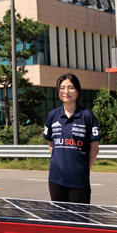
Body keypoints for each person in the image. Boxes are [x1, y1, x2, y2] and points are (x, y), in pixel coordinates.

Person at [44, 73, 100, 204]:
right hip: (55, 178)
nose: (66, 91)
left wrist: (82, 169)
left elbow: (95, 149)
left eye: (70, 87)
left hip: (79, 180)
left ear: (78, 91)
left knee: (79, 222)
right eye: (62, 88)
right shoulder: (52, 116)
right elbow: (51, 145)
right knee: (58, 218)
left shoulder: (87, 116)